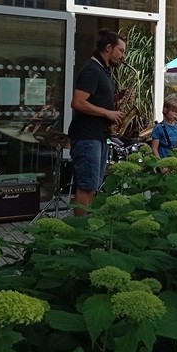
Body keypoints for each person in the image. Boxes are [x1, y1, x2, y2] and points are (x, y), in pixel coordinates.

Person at [68, 28, 126, 216]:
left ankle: (84, 228)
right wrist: (108, 113)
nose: (122, 56)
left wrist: (116, 98)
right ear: (109, 48)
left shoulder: (102, 71)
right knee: (86, 186)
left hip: (97, 136)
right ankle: (79, 232)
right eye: (121, 50)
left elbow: (94, 100)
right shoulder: (93, 69)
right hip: (87, 136)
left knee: (91, 186)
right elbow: (77, 102)